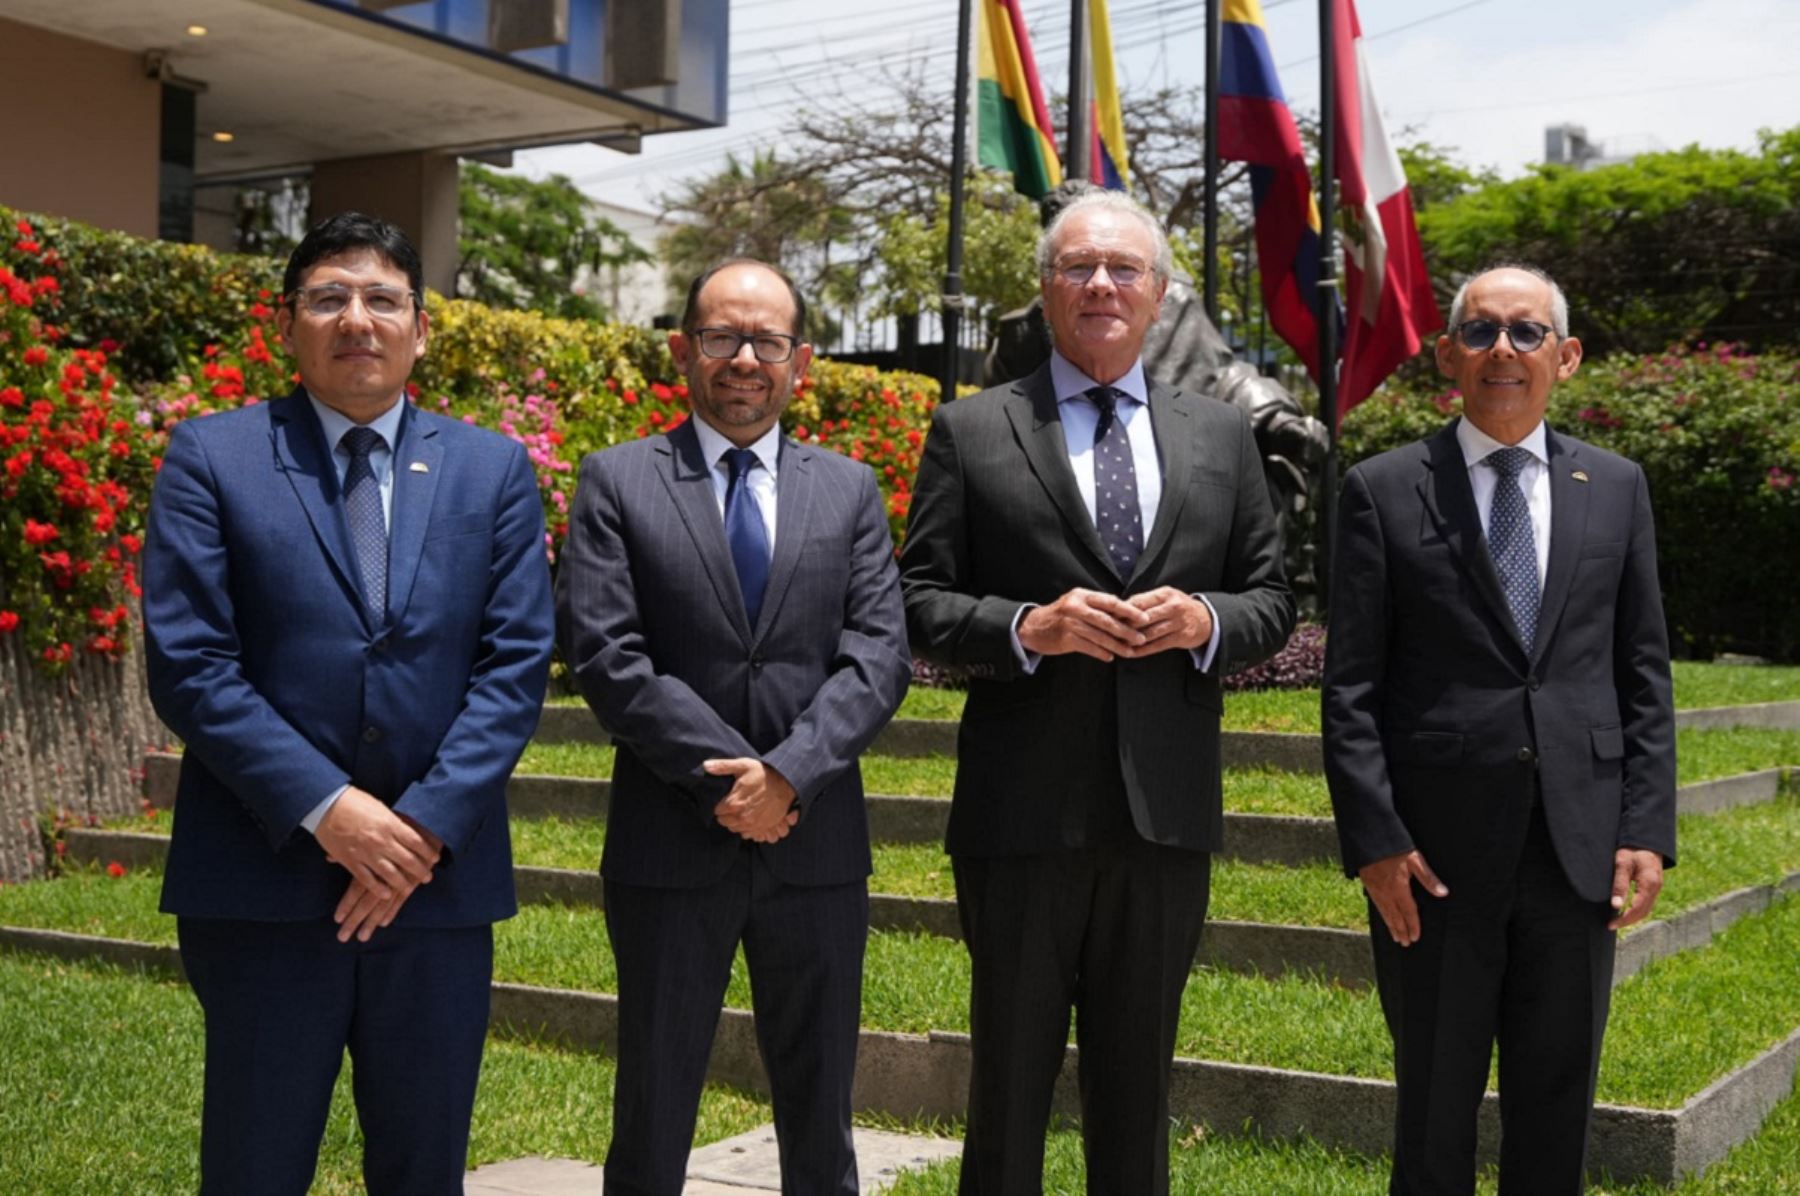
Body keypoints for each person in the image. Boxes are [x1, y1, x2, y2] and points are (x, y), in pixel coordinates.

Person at [143, 211, 554, 1194]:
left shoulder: (490, 469)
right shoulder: (213, 458)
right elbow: (191, 663)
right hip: (265, 879)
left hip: (434, 889)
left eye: (382, 298)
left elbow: (516, 664)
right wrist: (333, 811)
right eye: (329, 296)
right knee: (254, 1160)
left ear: (420, 327)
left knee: (423, 1165)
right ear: (289, 325)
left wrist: (414, 830)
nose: (356, 318)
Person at [898, 190, 1295, 1193]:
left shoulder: (1220, 437)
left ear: (1158, 295)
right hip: (1020, 817)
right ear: (1045, 289)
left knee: (1137, 1093)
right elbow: (917, 599)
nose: (1102, 285)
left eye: (1124, 269)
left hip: (1163, 817)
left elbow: (1273, 599)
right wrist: (1027, 628)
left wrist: (1205, 621)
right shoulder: (973, 428)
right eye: (1078, 266)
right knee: (1008, 1094)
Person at [555, 258, 911, 1195]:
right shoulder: (619, 482)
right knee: (652, 1107)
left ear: (801, 361)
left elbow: (879, 656)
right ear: (684, 351)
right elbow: (607, 657)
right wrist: (732, 786)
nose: (744, 358)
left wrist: (789, 775)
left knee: (821, 1110)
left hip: (816, 844)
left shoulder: (851, 491)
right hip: (670, 846)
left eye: (767, 341)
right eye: (721, 337)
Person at [1321, 264, 1676, 1194]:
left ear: (1567, 357)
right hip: (1431, 863)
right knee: (1434, 1110)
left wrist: (1645, 826)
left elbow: (1643, 670)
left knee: (1557, 1108)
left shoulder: (1619, 487)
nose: (1503, 352)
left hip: (1578, 849)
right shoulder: (1383, 490)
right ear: (1448, 354)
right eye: (1480, 333)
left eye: (1526, 334)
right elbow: (1350, 685)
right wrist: (1374, 840)